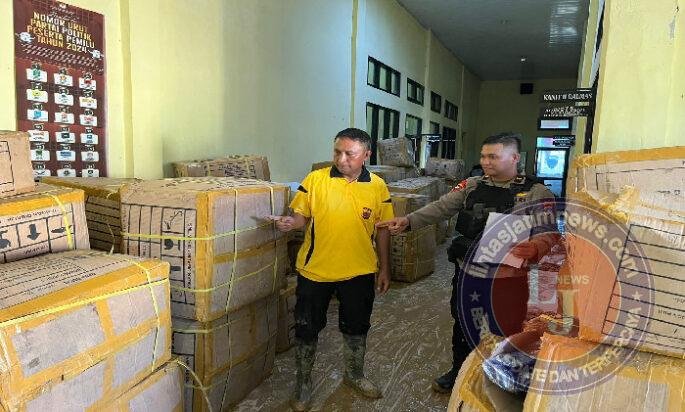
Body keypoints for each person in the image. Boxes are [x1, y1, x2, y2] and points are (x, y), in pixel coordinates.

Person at [377, 132, 556, 393]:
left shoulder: (536, 193)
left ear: (514, 158)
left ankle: (501, 382)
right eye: (483, 156)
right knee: (463, 325)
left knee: (505, 331)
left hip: (506, 281)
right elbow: (441, 207)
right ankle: (459, 372)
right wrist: (408, 220)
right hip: (468, 273)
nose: (485, 162)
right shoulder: (471, 185)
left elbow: (549, 232)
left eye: (493, 156)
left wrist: (536, 247)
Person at [272, 128, 393, 411]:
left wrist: (385, 268)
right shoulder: (315, 180)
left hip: (359, 271)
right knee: (306, 327)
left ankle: (354, 374)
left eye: (350, 154)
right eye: (337, 152)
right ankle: (303, 383)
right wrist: (289, 223)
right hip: (315, 271)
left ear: (366, 155)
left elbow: (383, 230)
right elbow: (300, 218)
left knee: (357, 326)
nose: (341, 159)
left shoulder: (377, 186)